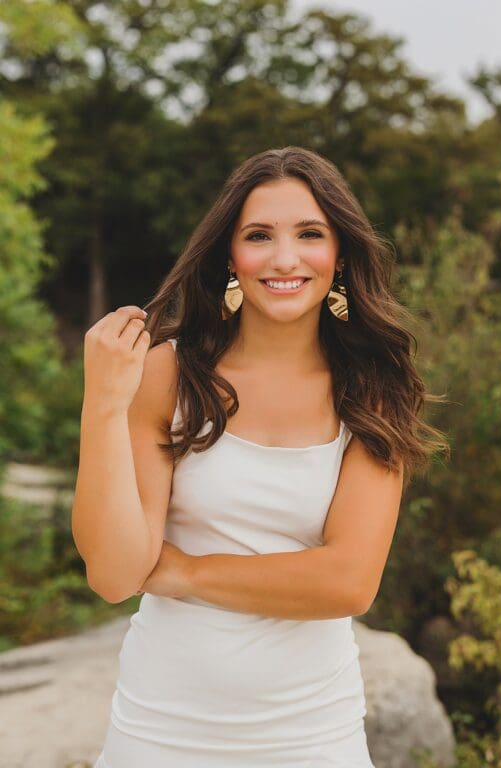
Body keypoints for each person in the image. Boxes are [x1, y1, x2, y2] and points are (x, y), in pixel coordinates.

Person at [72, 146, 446, 767]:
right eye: (258, 236)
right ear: (229, 255)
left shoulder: (373, 389)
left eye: (309, 234)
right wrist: (103, 406)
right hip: (159, 732)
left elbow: (349, 582)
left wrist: (184, 572)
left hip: (312, 738)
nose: (284, 258)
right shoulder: (168, 375)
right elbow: (115, 575)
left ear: (341, 254)